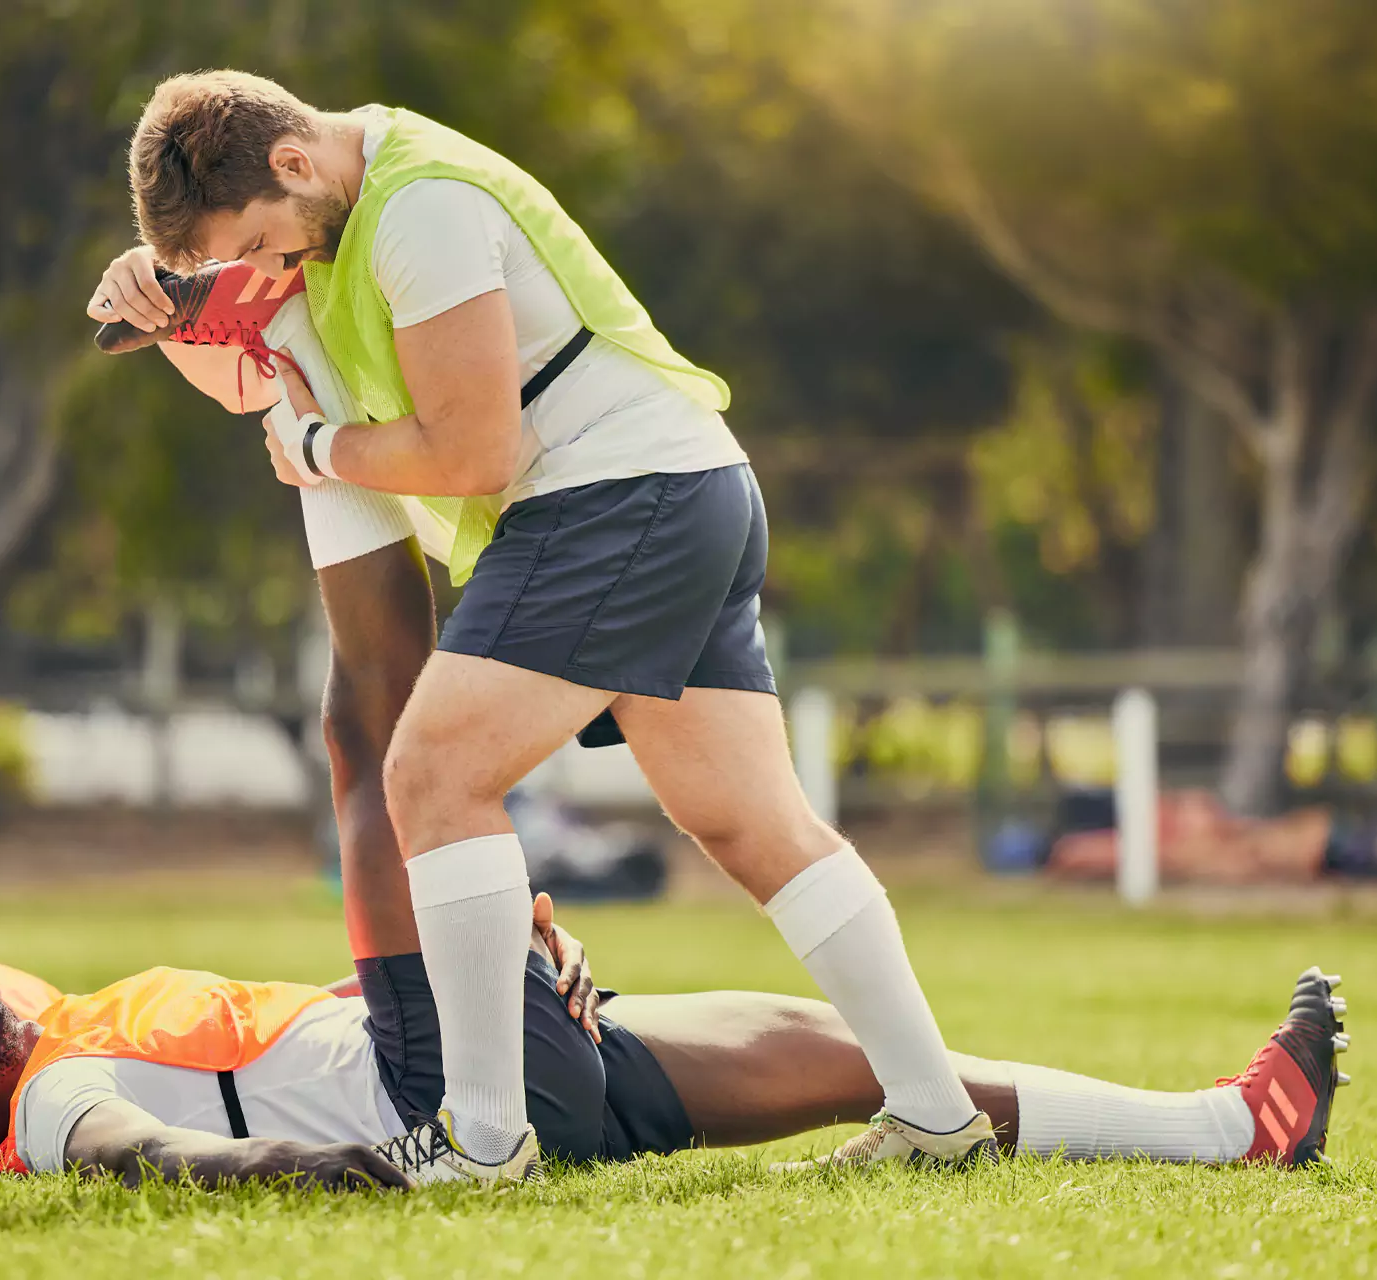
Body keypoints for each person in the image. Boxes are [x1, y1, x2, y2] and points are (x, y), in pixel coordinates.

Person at [0, 270, 1351, 1186]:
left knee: (849, 1056)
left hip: (482, 1053)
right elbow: (172, 1158)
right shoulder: (53, 1097)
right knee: (373, 739)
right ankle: (291, 379)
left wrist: (482, 960)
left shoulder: (50, 1020)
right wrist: (333, 1175)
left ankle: (1233, 1124)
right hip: (428, 1099)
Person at [87, 69, 998, 1182]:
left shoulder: (420, 207)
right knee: (753, 821)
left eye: (265, 243)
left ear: (292, 163)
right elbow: (245, 374)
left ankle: (481, 1138)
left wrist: (321, 452)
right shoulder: (329, 212)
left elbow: (479, 455)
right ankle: (937, 1113)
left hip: (617, 493)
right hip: (682, 481)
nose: (271, 270)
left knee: (429, 772)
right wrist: (160, 292)